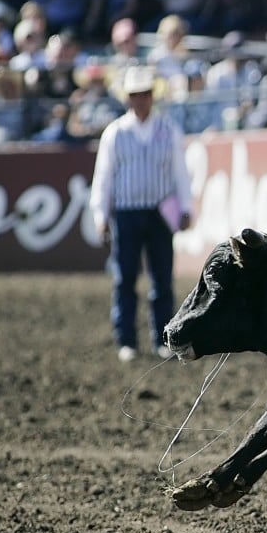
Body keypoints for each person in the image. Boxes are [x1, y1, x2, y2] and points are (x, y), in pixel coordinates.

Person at [89, 65, 193, 363]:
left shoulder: (169, 130)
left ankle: (163, 338)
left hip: (160, 211)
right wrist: (101, 214)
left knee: (161, 279)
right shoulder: (115, 133)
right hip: (126, 212)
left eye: (145, 94)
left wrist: (186, 208)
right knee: (125, 278)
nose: (141, 100)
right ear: (128, 98)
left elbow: (180, 174)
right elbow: (104, 177)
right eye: (136, 95)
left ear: (152, 96)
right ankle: (126, 339)